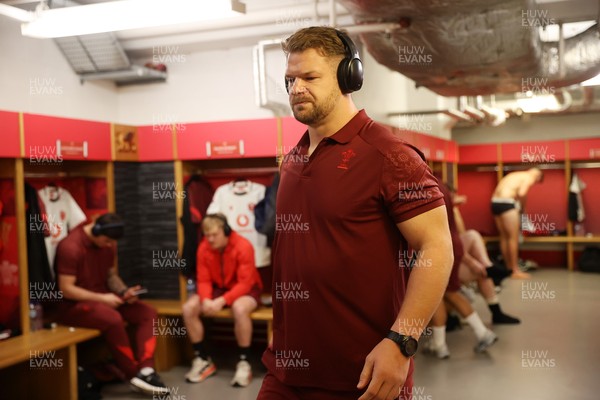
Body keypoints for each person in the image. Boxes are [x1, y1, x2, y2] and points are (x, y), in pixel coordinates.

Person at [257, 27, 453, 400]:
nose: (296, 88)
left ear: (349, 77)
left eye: (310, 77)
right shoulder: (294, 159)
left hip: (364, 376)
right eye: (290, 79)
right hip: (285, 371)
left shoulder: (389, 155)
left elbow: (436, 247)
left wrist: (402, 343)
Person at [55, 213, 169, 396]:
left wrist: (124, 292)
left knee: (147, 312)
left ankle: (147, 370)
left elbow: (110, 275)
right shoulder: (70, 247)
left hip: (103, 299)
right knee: (113, 318)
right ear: (96, 230)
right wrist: (104, 299)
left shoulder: (108, 245)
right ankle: (133, 374)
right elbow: (66, 289)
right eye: (107, 241)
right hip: (73, 307)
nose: (109, 246)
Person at [182, 213, 263, 387]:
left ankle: (244, 362)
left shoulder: (243, 246)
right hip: (218, 288)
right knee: (189, 308)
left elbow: (245, 283)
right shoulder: (204, 248)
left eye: (214, 235)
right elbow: (203, 280)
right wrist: (205, 300)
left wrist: (222, 301)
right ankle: (203, 359)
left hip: (246, 288)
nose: (210, 239)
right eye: (207, 235)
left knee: (239, 309)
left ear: (225, 231)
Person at [426, 183, 498, 359]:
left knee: (444, 293)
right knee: (443, 294)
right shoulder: (437, 185)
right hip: (451, 243)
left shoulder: (421, 186)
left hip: (438, 246)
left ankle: (478, 334)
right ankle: (440, 343)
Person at [491, 168, 544, 279]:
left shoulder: (515, 174)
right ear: (538, 176)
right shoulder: (529, 177)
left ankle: (508, 268)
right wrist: (523, 208)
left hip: (495, 202)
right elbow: (522, 193)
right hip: (507, 203)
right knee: (512, 238)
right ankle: (515, 270)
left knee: (504, 237)